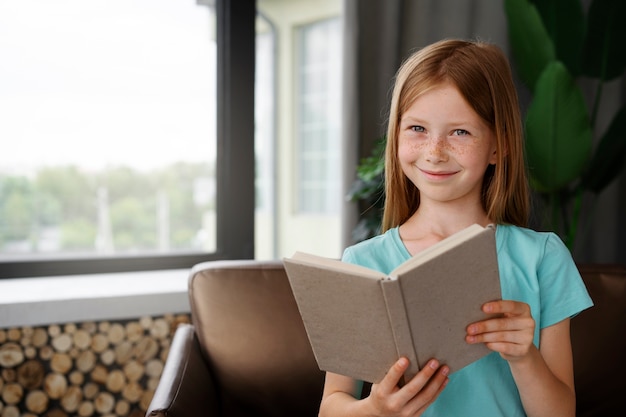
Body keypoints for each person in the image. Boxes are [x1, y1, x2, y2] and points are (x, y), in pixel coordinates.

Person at [319, 39, 593, 417]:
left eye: (460, 132)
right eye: (417, 128)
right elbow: (331, 405)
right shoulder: (362, 262)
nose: (435, 151)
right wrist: (375, 410)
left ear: (498, 146)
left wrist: (524, 356)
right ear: (396, 136)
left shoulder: (542, 257)